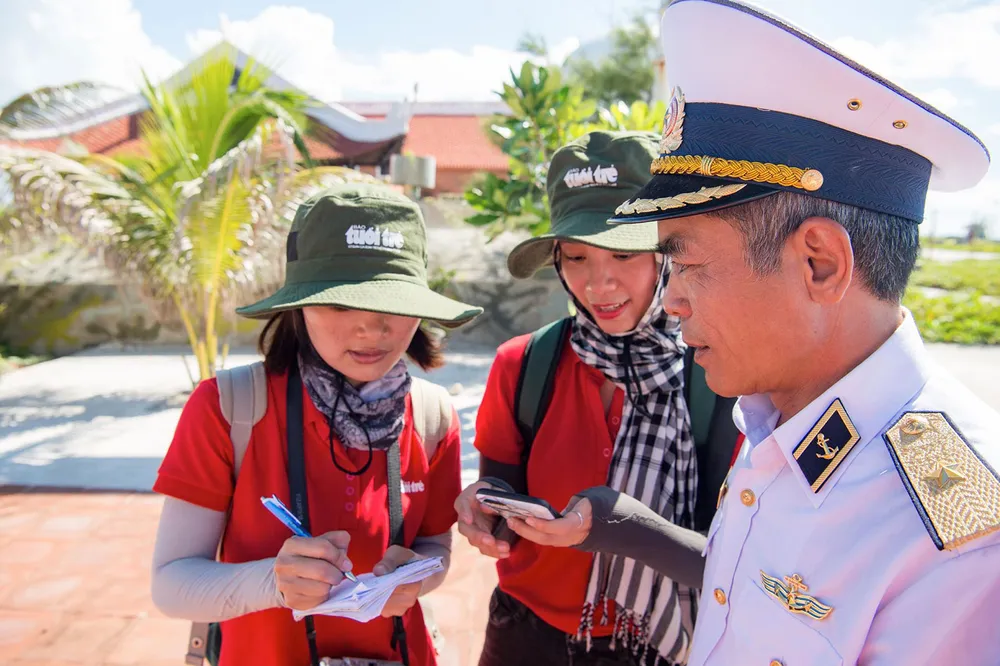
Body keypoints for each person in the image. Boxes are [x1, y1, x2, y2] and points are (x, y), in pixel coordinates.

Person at [506, 1, 1000, 664]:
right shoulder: (776, 418)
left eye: (685, 263)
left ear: (819, 263)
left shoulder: (962, 538)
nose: (671, 301)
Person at [150, 183, 483, 666]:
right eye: (341, 303)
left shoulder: (432, 416)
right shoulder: (228, 407)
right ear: (300, 304)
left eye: (394, 303)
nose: (372, 328)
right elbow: (171, 584)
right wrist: (275, 582)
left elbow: (435, 545)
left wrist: (416, 576)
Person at [455, 130, 741, 666]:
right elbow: (502, 493)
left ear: (668, 254)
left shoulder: (723, 376)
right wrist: (484, 507)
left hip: (659, 645)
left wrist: (618, 526)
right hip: (524, 633)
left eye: (624, 252)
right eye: (576, 256)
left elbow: (736, 562)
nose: (598, 283)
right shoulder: (524, 364)